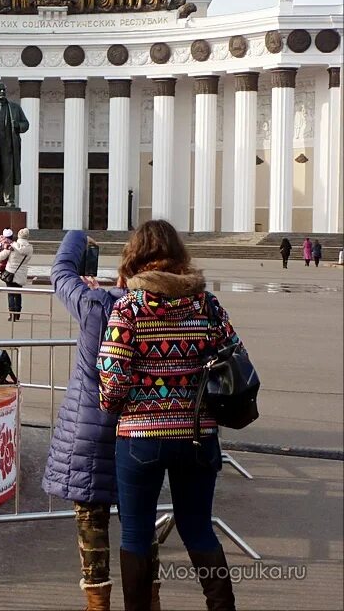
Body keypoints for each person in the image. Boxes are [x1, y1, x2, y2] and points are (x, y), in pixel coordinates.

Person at [98, 220, 242, 611]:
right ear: (179, 253)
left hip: (140, 438)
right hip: (198, 434)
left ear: (136, 254)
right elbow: (236, 357)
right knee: (198, 529)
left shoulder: (129, 307)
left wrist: (115, 406)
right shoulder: (206, 303)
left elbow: (113, 379)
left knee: (136, 534)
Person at [44, 231, 162, 611]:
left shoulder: (93, 304)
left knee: (91, 525)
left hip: (88, 433)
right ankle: (148, 599)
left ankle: (97, 603)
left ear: (123, 274)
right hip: (139, 431)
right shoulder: (159, 308)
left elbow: (60, 271)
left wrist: (77, 238)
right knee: (139, 524)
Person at [0, 227, 33, 321]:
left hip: (10, 273)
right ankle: (18, 314)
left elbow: (0, 257)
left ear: (18, 236)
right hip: (21, 273)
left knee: (11, 294)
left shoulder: (12, 246)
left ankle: (12, 315)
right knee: (18, 293)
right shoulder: (30, 248)